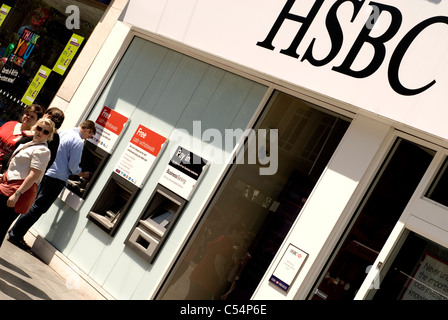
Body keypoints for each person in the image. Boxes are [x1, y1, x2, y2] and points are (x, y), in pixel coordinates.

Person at [7, 120, 96, 250]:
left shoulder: (64, 132)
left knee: (33, 205)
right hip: (56, 178)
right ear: (88, 130)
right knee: (38, 208)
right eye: (90, 135)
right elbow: (73, 166)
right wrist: (82, 173)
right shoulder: (78, 142)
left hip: (46, 173)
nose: (88, 138)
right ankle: (16, 234)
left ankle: (15, 231)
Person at [0, 118, 55, 247]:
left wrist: (17, 194)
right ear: (35, 127)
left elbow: (34, 175)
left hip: (15, 190)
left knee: (2, 225)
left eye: (45, 132)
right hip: (7, 186)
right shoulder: (29, 144)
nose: (40, 133)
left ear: (49, 135)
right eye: (39, 128)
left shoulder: (43, 151)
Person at [1, 107, 65, 172]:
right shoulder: (55, 139)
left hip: (15, 172)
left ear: (47, 116)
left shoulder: (46, 136)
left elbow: (20, 143)